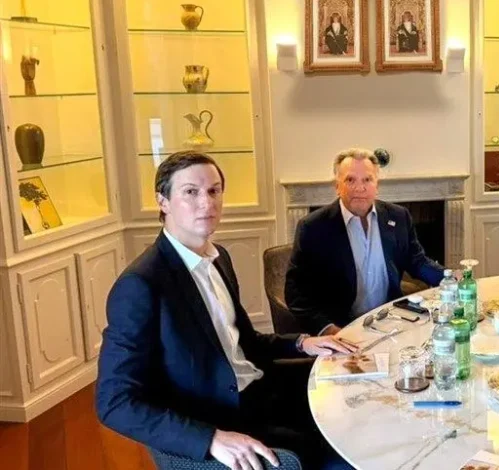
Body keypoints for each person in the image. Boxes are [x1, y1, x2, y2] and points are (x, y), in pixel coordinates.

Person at [95, 151, 356, 470]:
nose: (206, 202)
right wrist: (210, 439)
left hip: (259, 392)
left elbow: (245, 342)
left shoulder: (219, 258)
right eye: (190, 192)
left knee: (354, 409)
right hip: (218, 418)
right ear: (163, 201)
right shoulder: (141, 284)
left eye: (214, 190)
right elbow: (114, 402)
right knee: (342, 458)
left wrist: (303, 342)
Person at [286, 148, 444, 336]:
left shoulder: (398, 216)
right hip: (342, 328)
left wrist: (450, 278)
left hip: (392, 320)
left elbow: (417, 261)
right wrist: (329, 330)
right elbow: (296, 294)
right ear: (337, 186)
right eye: (350, 180)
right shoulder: (313, 227)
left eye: (367, 180)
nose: (359, 188)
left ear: (377, 185)